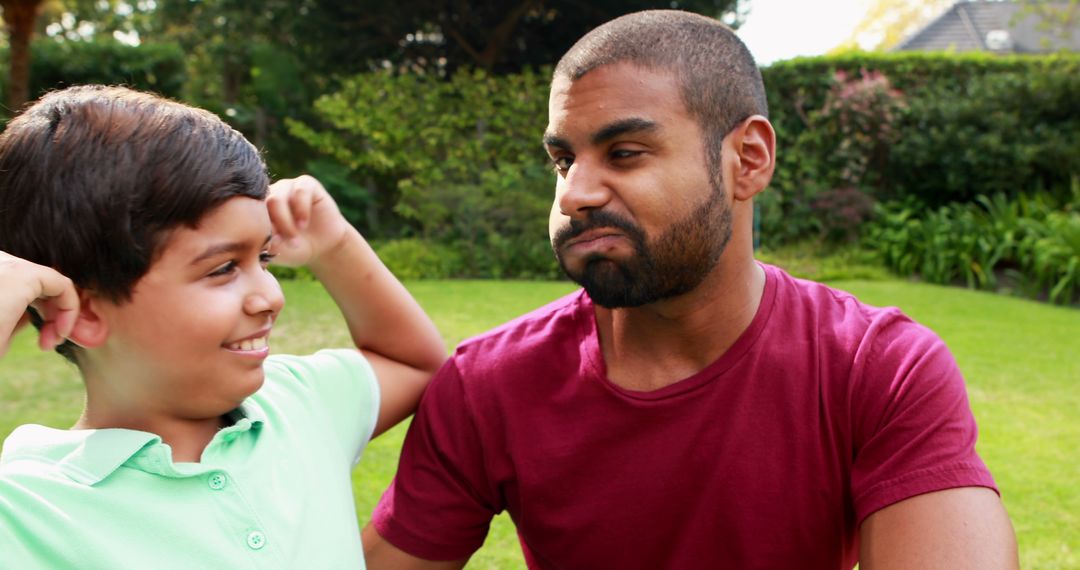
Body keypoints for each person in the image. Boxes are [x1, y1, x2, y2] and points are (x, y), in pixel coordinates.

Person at [362, 10, 1018, 569]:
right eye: (563, 160)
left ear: (749, 160)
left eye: (623, 153)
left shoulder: (877, 367)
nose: (575, 193)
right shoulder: (489, 384)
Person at [0, 85, 446, 568]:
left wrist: (335, 244)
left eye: (265, 257)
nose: (272, 296)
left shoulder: (297, 403)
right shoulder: (27, 507)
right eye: (222, 268)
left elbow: (416, 365)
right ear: (86, 314)